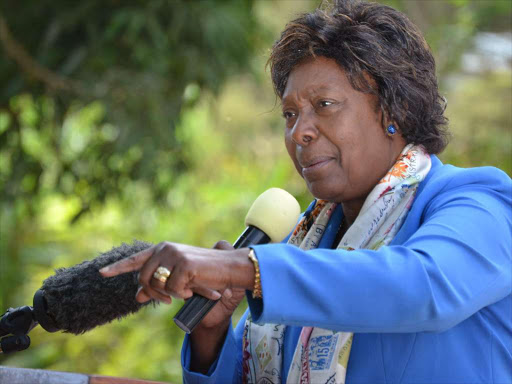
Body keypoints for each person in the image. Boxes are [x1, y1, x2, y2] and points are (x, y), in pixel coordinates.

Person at [100, 1, 512, 383]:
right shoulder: (306, 242)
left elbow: (424, 286)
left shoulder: (476, 199)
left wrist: (239, 267)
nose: (300, 132)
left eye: (325, 104)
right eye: (290, 114)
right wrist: (212, 334)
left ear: (395, 111)